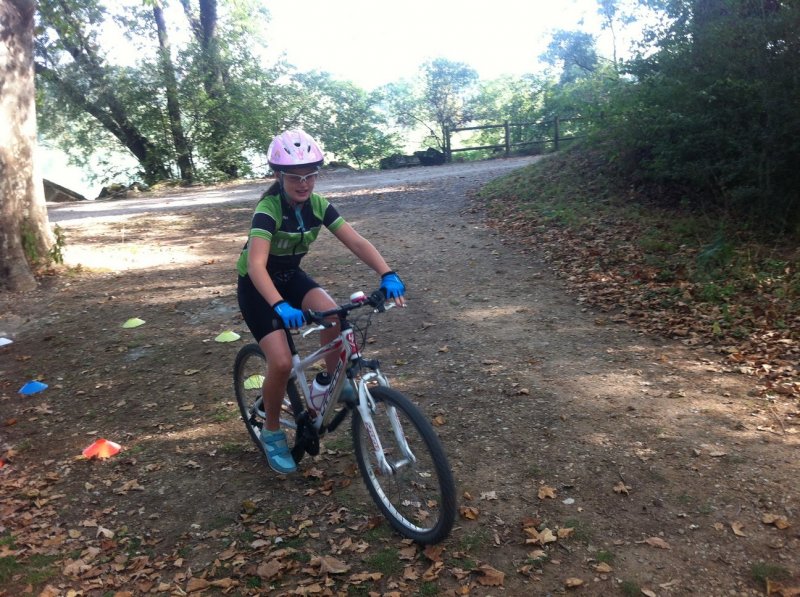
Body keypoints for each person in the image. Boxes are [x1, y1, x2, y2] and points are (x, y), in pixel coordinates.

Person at [236, 129, 406, 474]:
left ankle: (327, 386)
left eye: (311, 175)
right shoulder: (268, 210)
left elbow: (356, 242)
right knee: (282, 363)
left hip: (290, 276)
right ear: (278, 176)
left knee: (334, 317)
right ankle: (270, 433)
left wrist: (388, 273)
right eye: (296, 177)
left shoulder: (317, 205)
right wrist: (280, 306)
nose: (305, 184)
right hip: (258, 286)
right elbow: (256, 266)